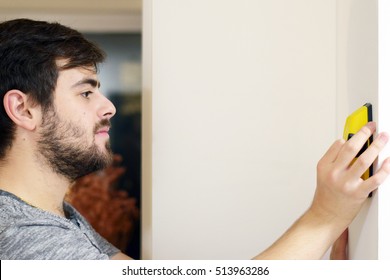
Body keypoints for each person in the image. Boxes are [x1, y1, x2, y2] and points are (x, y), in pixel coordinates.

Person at [0, 19, 389, 260]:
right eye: (86, 92)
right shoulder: (21, 237)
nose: (109, 107)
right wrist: (325, 217)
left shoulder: (57, 218)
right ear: (24, 109)